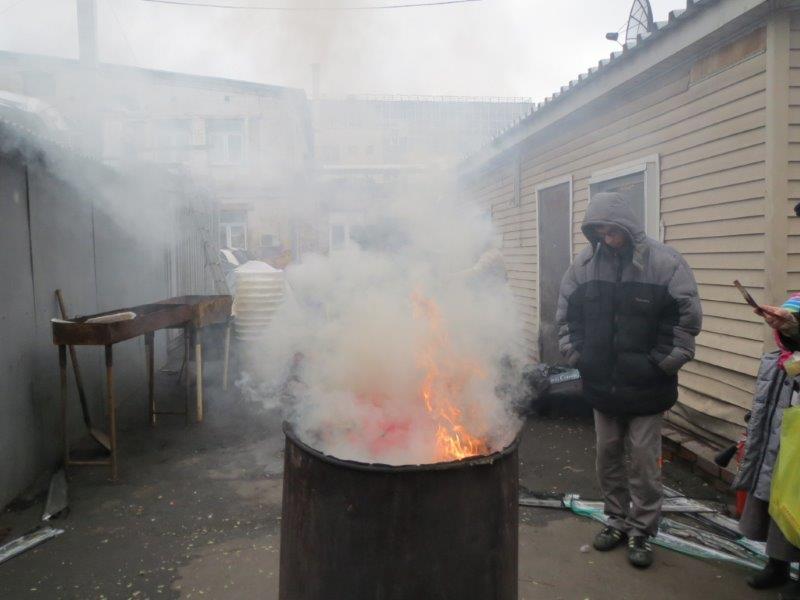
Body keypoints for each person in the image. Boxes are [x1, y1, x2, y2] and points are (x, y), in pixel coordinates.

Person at [556, 192, 702, 568]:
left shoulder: (666, 264)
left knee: (643, 462)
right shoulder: (583, 267)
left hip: (647, 387)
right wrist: (579, 358)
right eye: (599, 231)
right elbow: (567, 318)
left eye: (612, 230)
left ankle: (642, 531)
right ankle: (616, 520)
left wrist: (659, 365)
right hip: (602, 385)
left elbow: (685, 323)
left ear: (628, 227)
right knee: (607, 457)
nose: (607, 237)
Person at [733, 294, 800, 600]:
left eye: (790, 326)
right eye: (780, 326)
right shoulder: (776, 362)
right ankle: (777, 566)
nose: (784, 331)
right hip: (775, 447)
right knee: (775, 502)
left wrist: (792, 325)